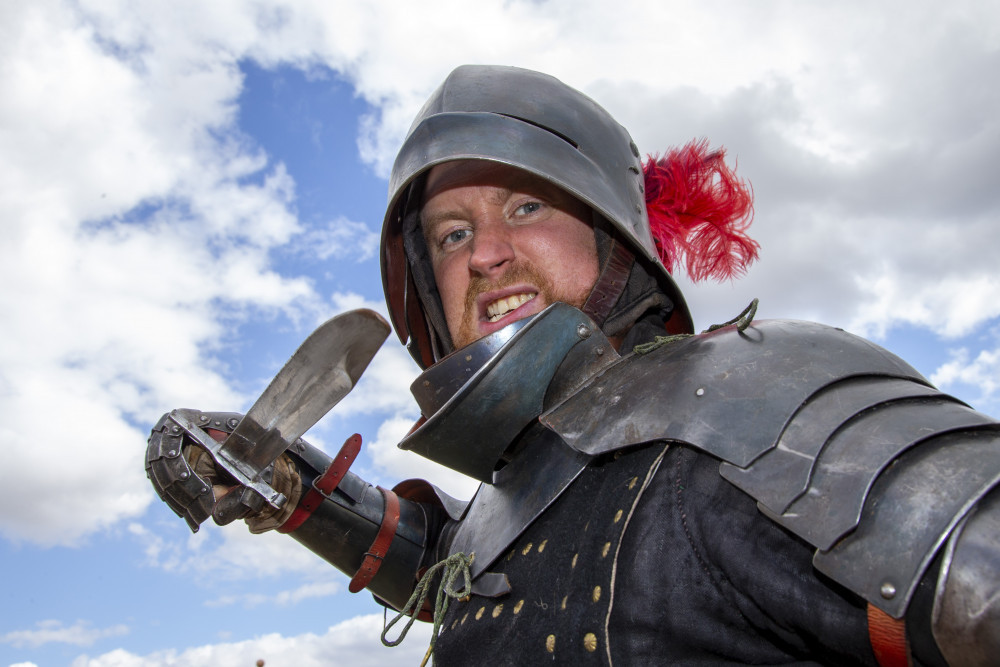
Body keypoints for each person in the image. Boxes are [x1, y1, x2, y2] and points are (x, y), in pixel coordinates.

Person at [147, 65, 1000, 666]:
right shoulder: (514, 488)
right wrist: (291, 487)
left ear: (613, 237)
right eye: (450, 233)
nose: (484, 253)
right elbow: (473, 570)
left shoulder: (754, 393)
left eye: (525, 205)